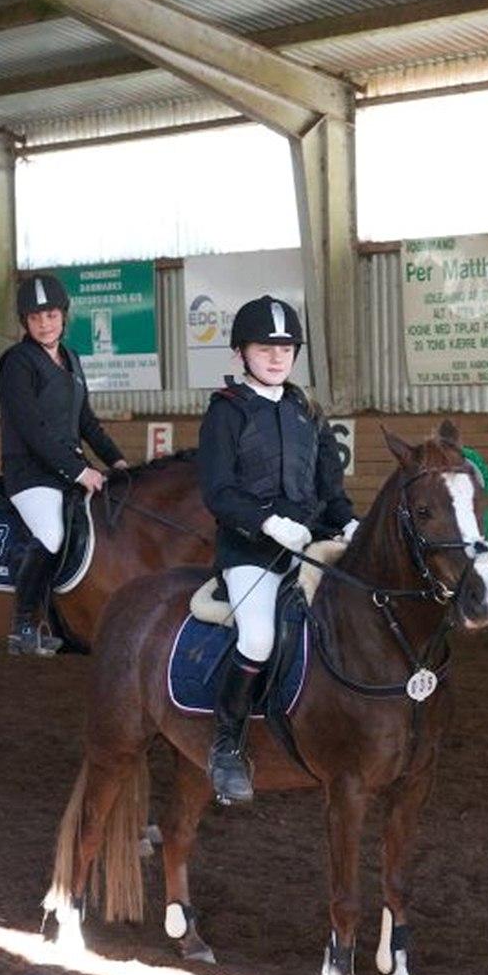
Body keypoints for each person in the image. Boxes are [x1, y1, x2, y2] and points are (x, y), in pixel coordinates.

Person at [199, 294, 359, 804]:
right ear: (240, 354)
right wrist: (267, 523)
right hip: (249, 550)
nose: (276, 357)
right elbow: (219, 492)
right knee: (261, 636)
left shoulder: (307, 410)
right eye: (265, 348)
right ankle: (227, 745)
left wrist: (348, 523)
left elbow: (330, 488)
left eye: (286, 348)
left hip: (307, 544)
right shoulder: (225, 412)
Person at [0, 273, 128, 656]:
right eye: (35, 318)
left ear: (63, 316)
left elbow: (84, 420)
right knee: (52, 534)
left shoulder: (72, 359)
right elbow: (32, 429)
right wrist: (79, 471)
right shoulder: (17, 363)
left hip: (68, 469)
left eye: (51, 315)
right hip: (31, 473)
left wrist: (115, 460)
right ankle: (23, 625)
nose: (44, 324)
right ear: (25, 322)